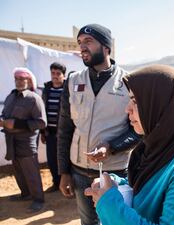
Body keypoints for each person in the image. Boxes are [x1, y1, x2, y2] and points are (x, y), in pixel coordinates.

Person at [84, 65, 174, 224]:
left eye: (135, 101)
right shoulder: (156, 147)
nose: (127, 109)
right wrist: (115, 185)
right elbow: (148, 193)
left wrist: (110, 204)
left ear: (159, 105)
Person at [58, 24, 138, 225]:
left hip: (115, 173)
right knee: (88, 222)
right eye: (80, 43)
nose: (82, 47)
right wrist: (64, 172)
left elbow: (138, 132)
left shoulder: (129, 82)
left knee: (116, 221)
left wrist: (111, 147)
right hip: (78, 173)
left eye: (88, 41)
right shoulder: (73, 80)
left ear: (106, 47)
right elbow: (65, 129)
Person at [1, 67, 46, 212]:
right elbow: (5, 113)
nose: (19, 81)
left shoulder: (34, 98)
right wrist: (2, 120)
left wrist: (16, 124)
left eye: (22, 79)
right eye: (17, 79)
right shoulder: (11, 96)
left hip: (26, 142)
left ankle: (38, 199)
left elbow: (41, 123)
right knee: (18, 170)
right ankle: (25, 194)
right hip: (11, 141)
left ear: (29, 80)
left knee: (31, 172)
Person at [40, 62, 66, 192]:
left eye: (58, 74)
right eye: (53, 73)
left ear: (63, 75)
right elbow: (42, 110)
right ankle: (56, 184)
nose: (55, 76)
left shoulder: (67, 90)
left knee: (64, 159)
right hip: (49, 132)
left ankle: (66, 184)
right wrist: (42, 132)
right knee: (51, 160)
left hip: (64, 133)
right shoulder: (47, 89)